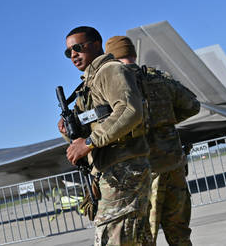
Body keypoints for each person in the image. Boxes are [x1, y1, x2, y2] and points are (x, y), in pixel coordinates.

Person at [58, 27, 152, 246]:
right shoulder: (88, 85)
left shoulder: (110, 71)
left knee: (113, 239)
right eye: (68, 52)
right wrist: (68, 131)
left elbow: (129, 110)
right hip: (112, 172)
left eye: (77, 48)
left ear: (97, 44)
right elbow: (86, 132)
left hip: (124, 171)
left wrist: (89, 143)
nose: (73, 55)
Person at [105, 36, 200, 246]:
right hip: (174, 166)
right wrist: (167, 121)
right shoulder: (160, 79)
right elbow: (193, 105)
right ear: (133, 54)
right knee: (180, 234)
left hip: (146, 172)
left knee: (146, 236)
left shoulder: (119, 85)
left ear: (111, 58)